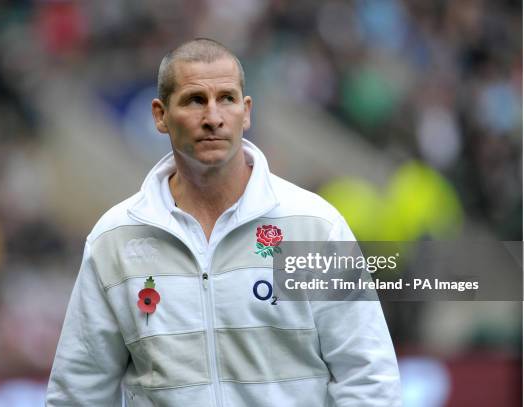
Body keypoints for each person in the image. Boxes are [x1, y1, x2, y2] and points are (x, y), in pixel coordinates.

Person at [46, 38, 401, 406]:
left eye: (227, 99)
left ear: (246, 112)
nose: (213, 117)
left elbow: (368, 377)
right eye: (194, 100)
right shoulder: (115, 239)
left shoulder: (313, 225)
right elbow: (78, 393)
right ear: (160, 115)